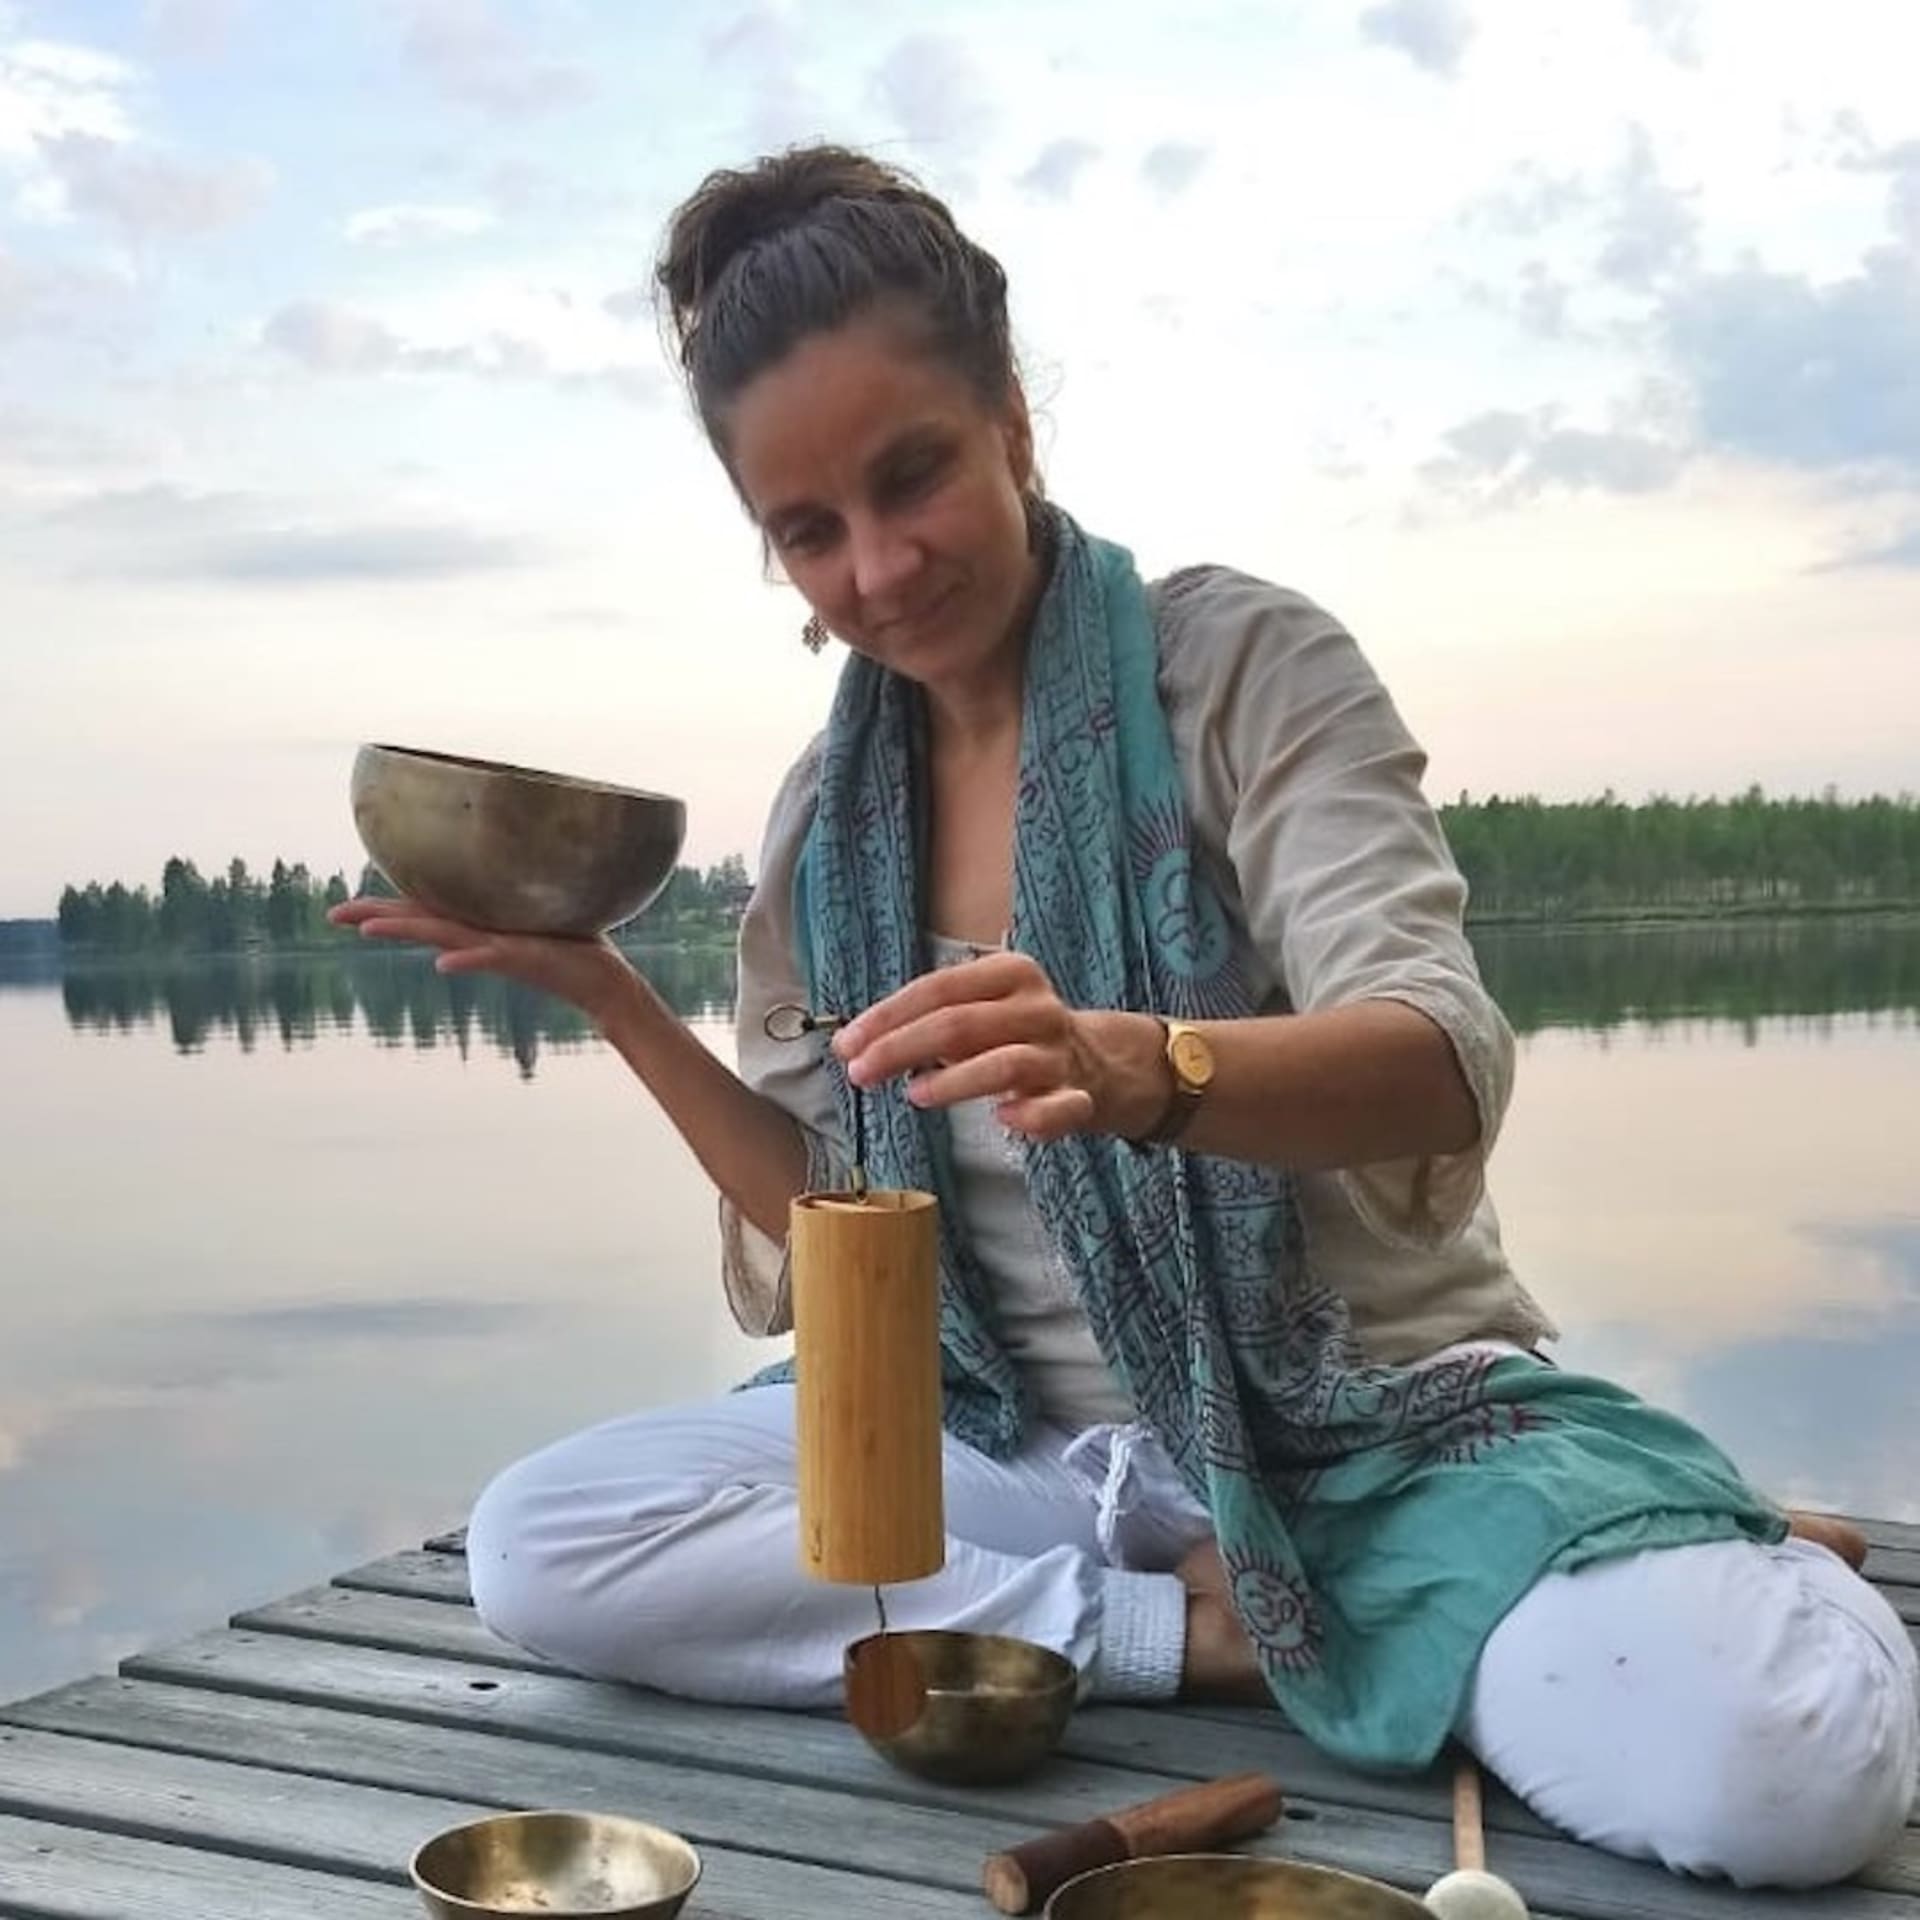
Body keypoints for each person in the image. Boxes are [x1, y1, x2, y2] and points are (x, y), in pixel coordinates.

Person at [332, 144, 1918, 1889]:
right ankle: (1205, 1638)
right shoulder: (822, 821)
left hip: (1349, 1431)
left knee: (1790, 1781)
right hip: (1005, 1447)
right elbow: (838, 1228)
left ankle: (1650, 1564)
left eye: (912, 474)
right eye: (808, 530)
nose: (877, 565)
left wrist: (1143, 1066)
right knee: (543, 1546)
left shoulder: (1244, 670)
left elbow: (1437, 1059)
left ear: (1012, 418)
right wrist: (610, 998)